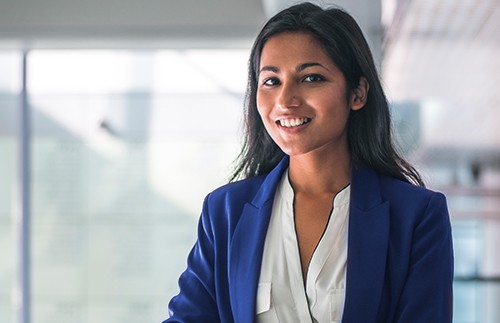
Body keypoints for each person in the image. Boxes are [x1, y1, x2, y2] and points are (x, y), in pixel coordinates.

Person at [163, 2, 453, 323]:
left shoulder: (416, 216)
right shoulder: (225, 212)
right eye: (271, 81)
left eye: (312, 78)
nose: (286, 100)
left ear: (357, 93)